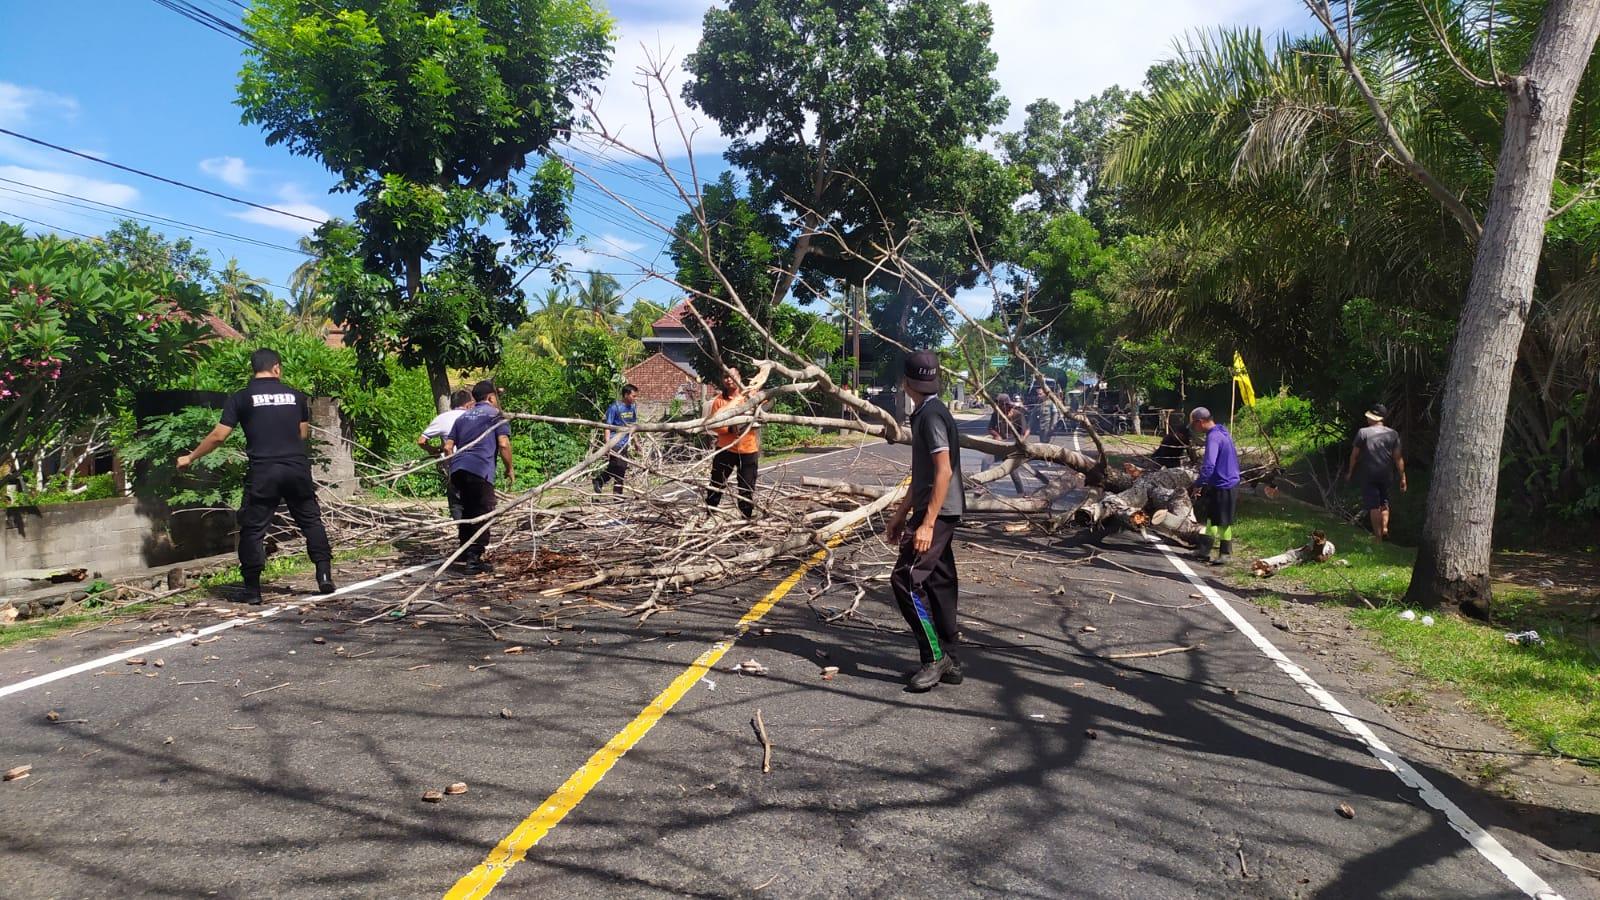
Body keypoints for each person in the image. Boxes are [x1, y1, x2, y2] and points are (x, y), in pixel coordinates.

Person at [177, 348, 334, 604]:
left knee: (253, 529)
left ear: (254, 368)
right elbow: (302, 434)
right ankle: (324, 575)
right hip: (296, 469)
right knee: (311, 521)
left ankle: (253, 590)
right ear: (277, 368)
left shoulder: (240, 398)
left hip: (263, 471)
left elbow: (218, 436)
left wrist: (190, 457)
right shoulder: (296, 397)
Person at [884, 350, 966, 692]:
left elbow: (943, 470)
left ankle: (934, 657)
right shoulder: (931, 412)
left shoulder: (931, 416)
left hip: (939, 512)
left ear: (905, 383)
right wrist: (902, 514)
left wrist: (927, 522)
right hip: (939, 509)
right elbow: (922, 475)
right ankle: (951, 656)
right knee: (939, 581)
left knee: (905, 578)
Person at [443, 380, 514, 574]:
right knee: (483, 513)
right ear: (491, 397)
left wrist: (453, 467)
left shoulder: (462, 417)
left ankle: (465, 553)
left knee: (467, 512)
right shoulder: (494, 415)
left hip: (459, 470)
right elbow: (504, 444)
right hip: (480, 470)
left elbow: (448, 447)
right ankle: (474, 560)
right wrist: (509, 468)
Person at [1346, 403, 1407, 542]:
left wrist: (1350, 472)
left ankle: (1378, 537)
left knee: (1373, 506)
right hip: (1386, 474)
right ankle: (1385, 528)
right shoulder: (1393, 434)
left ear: (1373, 418)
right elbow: (1398, 457)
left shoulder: (1363, 432)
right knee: (1384, 502)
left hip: (1369, 473)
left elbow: (1354, 455)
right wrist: (1403, 477)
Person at [706, 367, 761, 519]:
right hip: (726, 449)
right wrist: (731, 428)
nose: (729, 380)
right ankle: (709, 515)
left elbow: (767, 403)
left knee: (746, 488)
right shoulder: (719, 401)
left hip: (748, 450)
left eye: (732, 376)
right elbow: (715, 424)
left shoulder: (750, 397)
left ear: (739, 377)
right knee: (716, 484)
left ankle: (746, 521)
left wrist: (755, 399)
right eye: (725, 377)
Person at [1189, 406, 1240, 565]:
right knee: (1212, 517)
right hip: (1218, 482)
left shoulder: (1214, 437)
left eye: (1194, 425)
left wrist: (1199, 483)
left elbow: (1209, 465)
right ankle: (1205, 549)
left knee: (1224, 521)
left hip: (1225, 483)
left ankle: (1226, 553)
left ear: (1200, 422)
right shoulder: (1221, 431)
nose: (1194, 429)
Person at [418, 389, 475, 521]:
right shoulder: (475, 417)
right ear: (469, 404)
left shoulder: (442, 418)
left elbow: (421, 441)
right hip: (477, 465)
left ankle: (463, 532)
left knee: (456, 503)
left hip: (454, 466)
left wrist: (432, 450)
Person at [981, 394, 1048, 495]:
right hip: (1000, 446)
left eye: (1001, 405)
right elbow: (991, 428)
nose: (999, 408)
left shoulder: (1017, 415)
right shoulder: (996, 414)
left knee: (1013, 471)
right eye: (998, 405)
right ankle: (983, 487)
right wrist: (997, 435)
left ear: (1006, 405)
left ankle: (1021, 493)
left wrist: (1021, 442)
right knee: (986, 460)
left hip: (1013, 448)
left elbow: (1026, 431)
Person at [594, 384, 639, 495]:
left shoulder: (632, 407)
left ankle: (603, 484)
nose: (635, 398)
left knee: (620, 469)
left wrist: (636, 443)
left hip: (625, 443)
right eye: (633, 396)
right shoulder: (614, 407)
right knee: (618, 467)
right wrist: (608, 445)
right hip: (614, 442)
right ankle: (604, 484)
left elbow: (632, 426)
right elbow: (607, 427)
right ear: (626, 395)